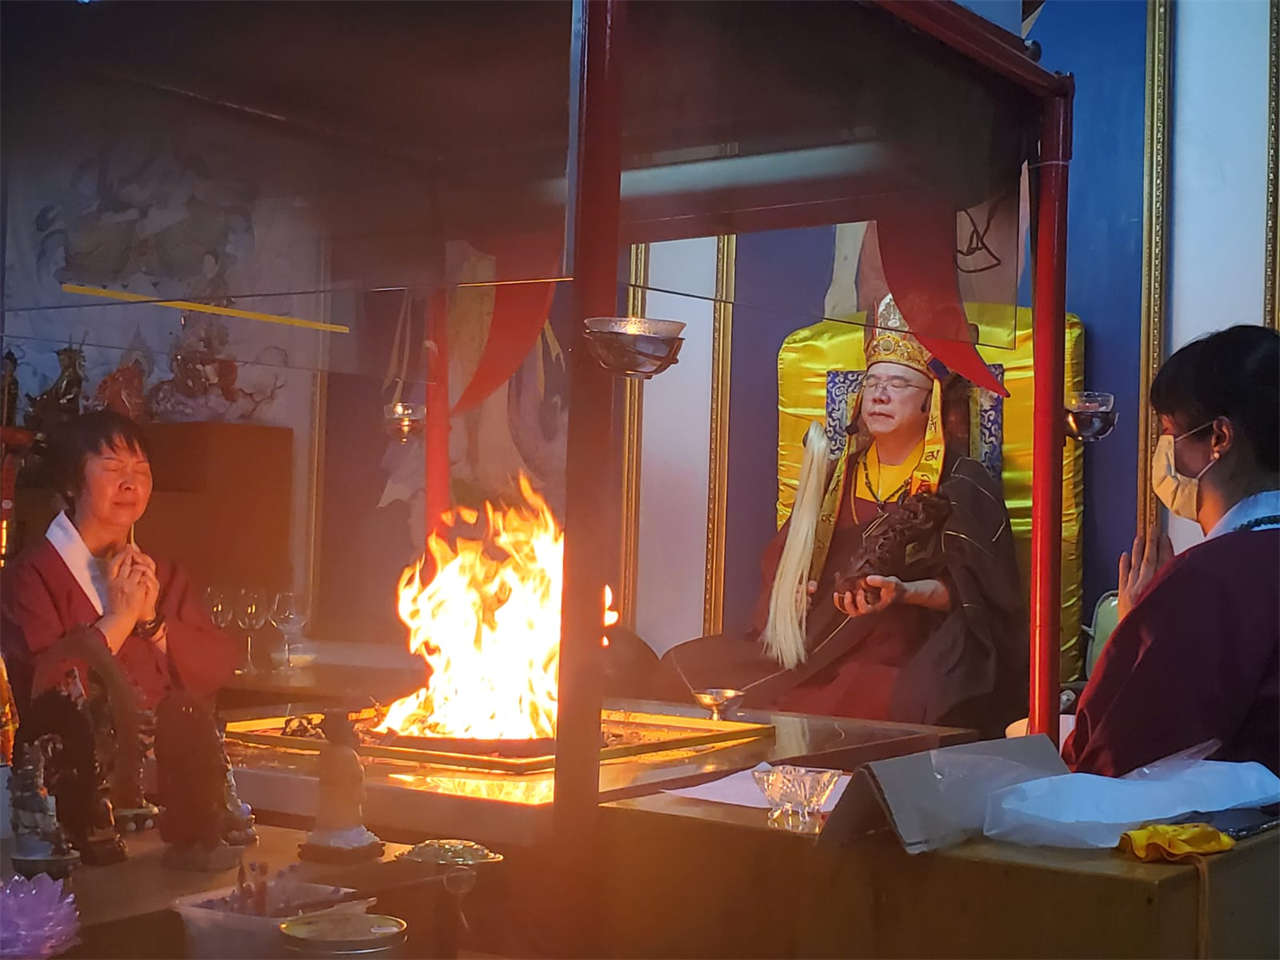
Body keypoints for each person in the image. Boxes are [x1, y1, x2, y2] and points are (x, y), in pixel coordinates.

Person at [652, 294, 1026, 736]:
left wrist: (904, 592)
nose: (880, 395)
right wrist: (792, 592)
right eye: (873, 383)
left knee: (882, 695)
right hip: (818, 640)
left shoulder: (961, 482)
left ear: (931, 402)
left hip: (907, 645)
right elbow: (784, 563)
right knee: (685, 666)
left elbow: (980, 597)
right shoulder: (836, 478)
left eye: (899, 384)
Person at [1064, 326, 1279, 776]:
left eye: (1169, 433)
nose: (1167, 454)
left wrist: (1139, 630)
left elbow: (1115, 758)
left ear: (1219, 438)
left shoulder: (1208, 581)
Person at [1, 410, 237, 714]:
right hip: (80, 745)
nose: (130, 483)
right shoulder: (28, 578)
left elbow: (218, 669)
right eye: (112, 468)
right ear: (71, 483)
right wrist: (120, 619)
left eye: (141, 470)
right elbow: (44, 692)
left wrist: (153, 624)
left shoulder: (161, 574)